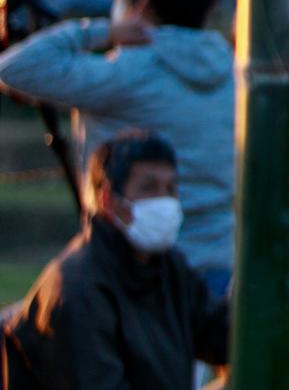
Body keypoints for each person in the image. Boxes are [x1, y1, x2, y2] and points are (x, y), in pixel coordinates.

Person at [0, 0, 234, 295]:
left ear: (139, 1)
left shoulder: (129, 73)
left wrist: (101, 31)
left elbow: (14, 68)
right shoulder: (228, 66)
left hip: (141, 273)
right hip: (221, 265)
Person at [2, 131, 228, 390]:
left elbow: (223, 336)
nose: (163, 201)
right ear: (108, 201)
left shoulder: (167, 267)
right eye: (149, 188)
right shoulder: (79, 289)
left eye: (170, 189)